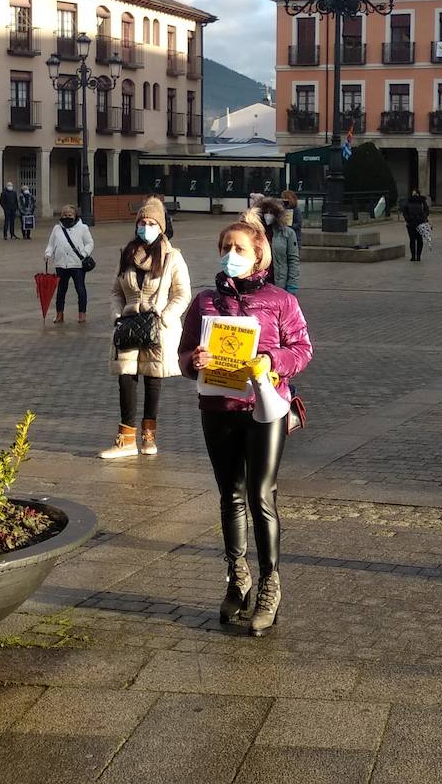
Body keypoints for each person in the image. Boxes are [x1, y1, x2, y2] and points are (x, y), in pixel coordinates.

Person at [178, 218, 313, 636]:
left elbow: (302, 349)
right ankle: (238, 578)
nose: (229, 255)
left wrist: (273, 363)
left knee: (260, 493)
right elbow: (183, 355)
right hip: (218, 405)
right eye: (224, 247)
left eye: (238, 248)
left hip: (265, 408)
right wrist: (193, 362)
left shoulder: (280, 301)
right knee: (230, 494)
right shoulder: (205, 302)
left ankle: (271, 582)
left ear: (258, 254)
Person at [104, 197, 191, 459]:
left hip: (158, 326)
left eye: (152, 222)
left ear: (161, 226)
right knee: (126, 377)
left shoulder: (172, 257)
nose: (146, 226)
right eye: (142, 222)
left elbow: (182, 293)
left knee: (153, 380)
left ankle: (149, 436)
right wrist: (117, 315)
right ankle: (126, 439)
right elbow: (116, 290)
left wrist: (165, 316)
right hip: (129, 324)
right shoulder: (127, 253)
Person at [44, 204, 95, 324]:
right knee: (61, 290)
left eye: (70, 215)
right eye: (65, 215)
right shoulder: (57, 228)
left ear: (75, 215)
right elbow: (51, 244)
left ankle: (82, 314)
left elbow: (90, 243)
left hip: (77, 264)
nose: (67, 217)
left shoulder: (83, 228)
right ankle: (59, 314)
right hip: (61, 264)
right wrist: (48, 254)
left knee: (80, 289)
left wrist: (84, 253)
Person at [254, 198, 300, 293]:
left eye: (271, 212)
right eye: (266, 212)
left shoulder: (287, 233)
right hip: (257, 284)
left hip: (279, 283)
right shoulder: (254, 233)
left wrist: (292, 284)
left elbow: (293, 259)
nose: (268, 215)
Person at [403, 188, 430, 262]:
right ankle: (413, 256)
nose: (414, 195)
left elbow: (426, 211)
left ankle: (418, 256)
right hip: (411, 223)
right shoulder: (408, 202)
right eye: (413, 193)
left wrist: (422, 218)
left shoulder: (422, 202)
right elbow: (405, 211)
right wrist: (408, 219)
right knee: (412, 240)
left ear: (418, 194)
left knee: (419, 240)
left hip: (420, 223)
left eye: (415, 193)